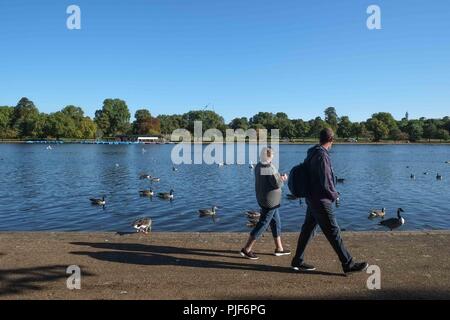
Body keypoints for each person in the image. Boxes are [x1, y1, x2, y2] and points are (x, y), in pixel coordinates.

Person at [291, 128, 368, 274]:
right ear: (332, 140)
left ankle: (297, 260)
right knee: (333, 231)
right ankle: (348, 264)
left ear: (320, 139)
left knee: (308, 230)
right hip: (321, 200)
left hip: (312, 198)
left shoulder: (312, 152)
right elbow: (326, 180)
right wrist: (334, 195)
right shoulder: (322, 155)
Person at [240, 147, 291, 260]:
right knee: (263, 224)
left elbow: (268, 180)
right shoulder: (267, 167)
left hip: (265, 199)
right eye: (272, 157)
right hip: (270, 202)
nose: (273, 159)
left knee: (276, 223)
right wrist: (283, 178)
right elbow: (277, 183)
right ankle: (246, 249)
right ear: (268, 156)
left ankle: (279, 249)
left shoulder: (258, 165)